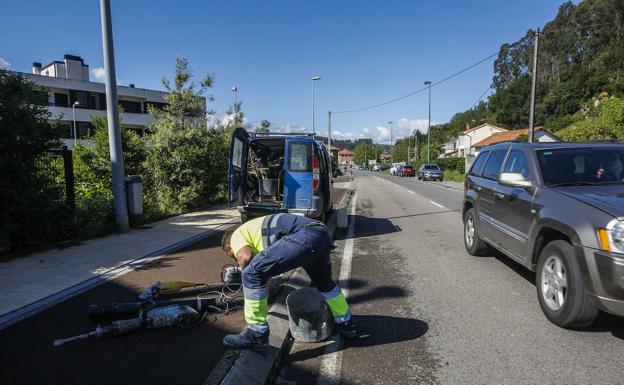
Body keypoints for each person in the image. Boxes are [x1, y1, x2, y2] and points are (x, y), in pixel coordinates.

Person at [221, 213, 356, 351]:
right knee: (325, 285)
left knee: (250, 274)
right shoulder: (251, 231)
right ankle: (346, 322)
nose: (234, 258)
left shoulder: (236, 236)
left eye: (231, 255)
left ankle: (256, 334)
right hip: (320, 234)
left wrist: (247, 276)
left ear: (229, 247)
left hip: (305, 235)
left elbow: (245, 257)